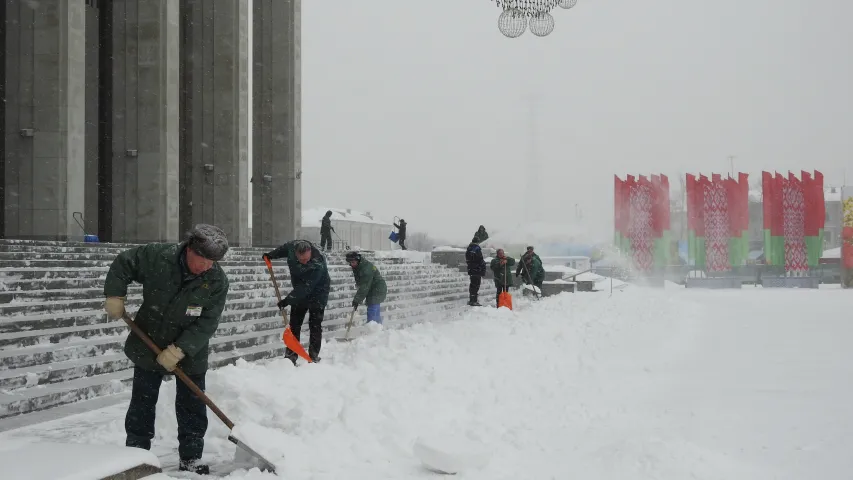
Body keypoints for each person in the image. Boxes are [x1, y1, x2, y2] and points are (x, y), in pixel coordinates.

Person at [103, 224, 230, 475]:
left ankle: (191, 458)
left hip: (189, 351)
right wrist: (115, 295)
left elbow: (207, 321)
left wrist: (180, 349)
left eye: (212, 262)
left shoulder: (216, 281)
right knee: (142, 402)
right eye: (202, 259)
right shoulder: (158, 257)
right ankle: (136, 455)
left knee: (192, 405)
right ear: (189, 249)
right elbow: (124, 263)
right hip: (149, 339)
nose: (206, 266)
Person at [262, 240, 330, 364]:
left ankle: (313, 356)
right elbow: (283, 249)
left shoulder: (317, 263)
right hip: (300, 291)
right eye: (301, 260)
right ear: (295, 253)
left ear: (310, 253)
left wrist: (287, 300)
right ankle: (291, 357)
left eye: (306, 260)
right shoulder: (292, 248)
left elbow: (305, 288)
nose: (304, 262)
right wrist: (271, 255)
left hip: (318, 293)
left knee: (315, 325)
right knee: (294, 324)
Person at [346, 251, 388, 324]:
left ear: (358, 260)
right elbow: (361, 283)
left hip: (376, 290)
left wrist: (357, 300)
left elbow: (364, 286)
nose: (351, 264)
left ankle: (372, 329)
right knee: (375, 311)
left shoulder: (366, 269)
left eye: (353, 262)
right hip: (374, 288)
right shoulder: (359, 266)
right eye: (350, 262)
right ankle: (378, 329)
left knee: (372, 310)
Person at [465, 225, 489, 306]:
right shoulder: (477, 249)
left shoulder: (469, 249)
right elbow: (480, 260)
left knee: (472, 285)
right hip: (476, 270)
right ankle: (473, 301)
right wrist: (483, 266)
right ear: (478, 242)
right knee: (475, 285)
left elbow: (469, 260)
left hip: (471, 270)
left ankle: (472, 299)